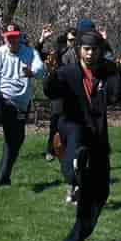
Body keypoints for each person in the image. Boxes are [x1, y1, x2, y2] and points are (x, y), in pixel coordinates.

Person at [42, 32, 121, 241]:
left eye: (94, 49)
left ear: (99, 51)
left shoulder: (107, 71)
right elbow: (51, 91)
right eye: (86, 49)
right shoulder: (67, 72)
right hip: (72, 125)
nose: (90, 53)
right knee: (77, 142)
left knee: (100, 191)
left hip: (97, 135)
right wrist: (52, 74)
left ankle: (76, 237)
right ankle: (75, 165)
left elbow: (116, 95)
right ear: (79, 50)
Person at [0, 20, 45, 188]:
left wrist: (32, 72)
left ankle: (2, 179)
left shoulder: (30, 53)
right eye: (8, 38)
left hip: (20, 103)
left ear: (20, 37)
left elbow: (41, 70)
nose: (11, 41)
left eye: (15, 37)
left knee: (15, 141)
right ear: (4, 38)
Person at [42, 25, 78, 162]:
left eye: (74, 40)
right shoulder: (60, 52)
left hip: (73, 93)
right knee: (55, 121)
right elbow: (39, 54)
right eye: (70, 40)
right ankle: (50, 150)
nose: (72, 43)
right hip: (59, 92)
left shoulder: (81, 54)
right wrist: (42, 40)